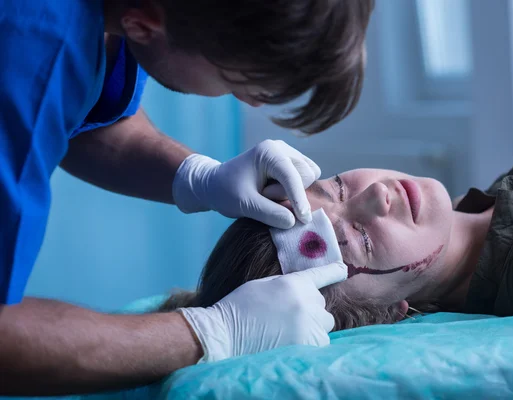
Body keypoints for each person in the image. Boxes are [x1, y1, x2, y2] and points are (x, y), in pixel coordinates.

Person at [0, 0, 375, 396]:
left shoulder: (114, 19)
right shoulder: (27, 52)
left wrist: (200, 177)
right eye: (236, 81)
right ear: (143, 24)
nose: (251, 103)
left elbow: (82, 113)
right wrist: (209, 332)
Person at [161, 115, 513, 331]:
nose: (375, 194)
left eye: (337, 188)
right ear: (389, 312)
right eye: (360, 239)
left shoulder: (504, 189)